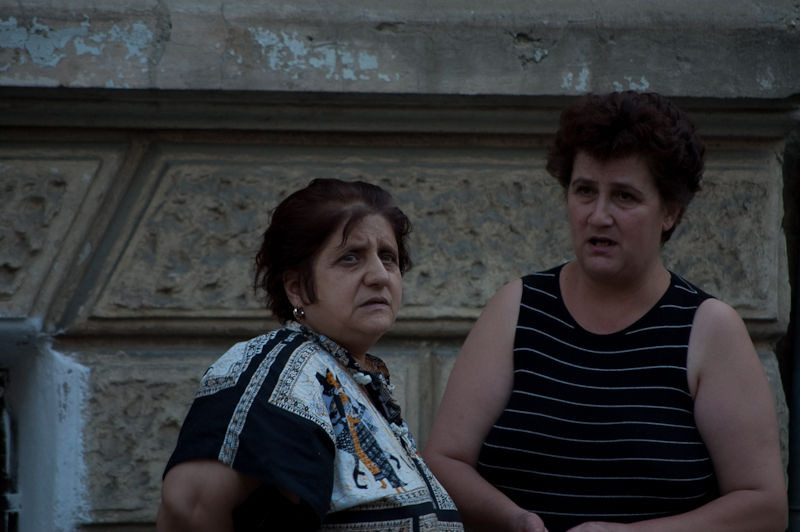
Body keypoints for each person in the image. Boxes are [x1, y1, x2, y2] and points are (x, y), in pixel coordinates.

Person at [423, 91, 787, 532]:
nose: (598, 215)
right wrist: (514, 519)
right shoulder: (516, 308)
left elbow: (764, 506)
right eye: (585, 191)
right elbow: (444, 461)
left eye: (624, 197)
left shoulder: (709, 330)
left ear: (669, 212)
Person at [157, 178, 462, 531]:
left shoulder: (354, 376)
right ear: (297, 288)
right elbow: (188, 506)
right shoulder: (279, 368)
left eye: (388, 257)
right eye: (350, 258)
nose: (380, 276)